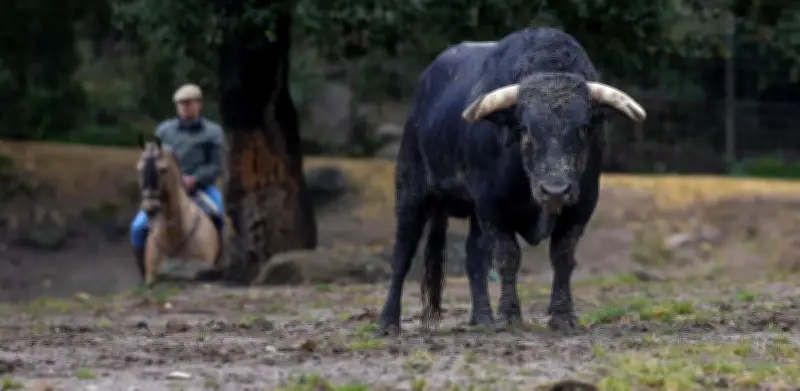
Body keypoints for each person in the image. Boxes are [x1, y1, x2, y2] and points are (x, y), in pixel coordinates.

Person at [130, 83, 226, 271]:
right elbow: (154, 160)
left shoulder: (213, 133)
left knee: (221, 217)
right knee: (137, 228)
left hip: (201, 189)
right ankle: (145, 271)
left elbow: (216, 165)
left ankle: (222, 264)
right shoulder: (165, 131)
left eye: (189, 103)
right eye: (181, 104)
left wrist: (196, 179)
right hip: (166, 190)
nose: (184, 107)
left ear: (199, 104)